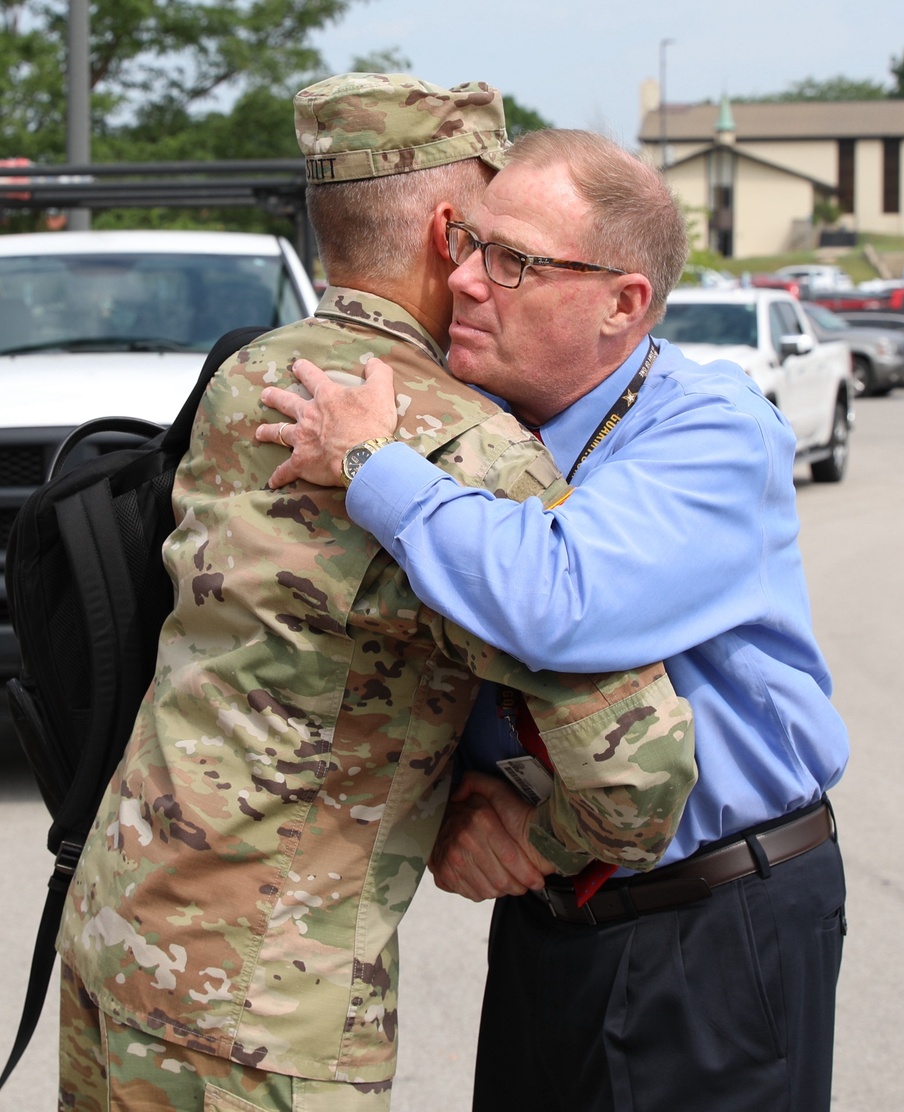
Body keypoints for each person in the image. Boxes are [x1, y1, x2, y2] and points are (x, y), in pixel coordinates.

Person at [54, 82, 697, 1112]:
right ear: (452, 235)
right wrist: (528, 836)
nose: (496, 267)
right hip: (265, 1011)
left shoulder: (246, 375)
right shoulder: (462, 445)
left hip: (115, 943)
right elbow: (639, 784)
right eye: (493, 238)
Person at [256, 127, 849, 1112]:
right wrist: (467, 804)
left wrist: (373, 467)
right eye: (468, 245)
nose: (471, 282)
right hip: (553, 914)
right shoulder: (477, 425)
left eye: (516, 261)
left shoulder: (710, 426)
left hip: (708, 922)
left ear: (625, 303)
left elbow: (558, 604)